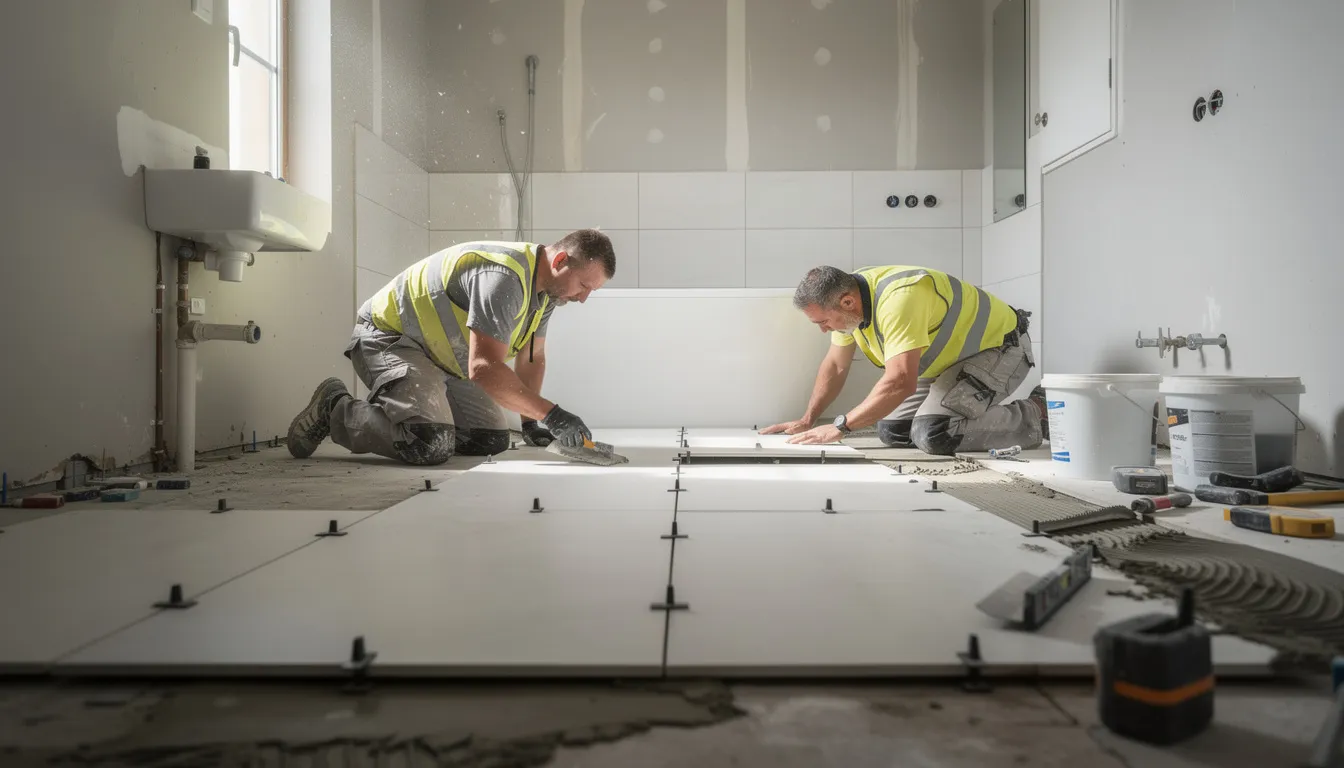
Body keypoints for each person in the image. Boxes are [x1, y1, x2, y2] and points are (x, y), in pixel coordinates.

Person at [285, 229, 615, 465]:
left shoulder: (546, 294)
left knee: (490, 440)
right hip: (392, 339)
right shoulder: (504, 277)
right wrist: (553, 414)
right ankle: (335, 409)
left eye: (591, 292)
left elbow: (533, 356)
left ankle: (420, 415)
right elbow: (484, 368)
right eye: (584, 286)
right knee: (428, 444)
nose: (584, 298)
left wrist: (532, 421)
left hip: (444, 358)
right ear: (560, 260)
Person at [761, 264, 1047, 455]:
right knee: (893, 431)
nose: (824, 329)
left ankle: (1037, 411)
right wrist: (808, 419)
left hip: (1001, 350)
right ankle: (966, 412)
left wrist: (840, 426)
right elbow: (835, 366)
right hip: (949, 366)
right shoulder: (851, 305)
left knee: (934, 434)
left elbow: (900, 381)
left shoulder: (899, 299)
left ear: (846, 302)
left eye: (823, 322)